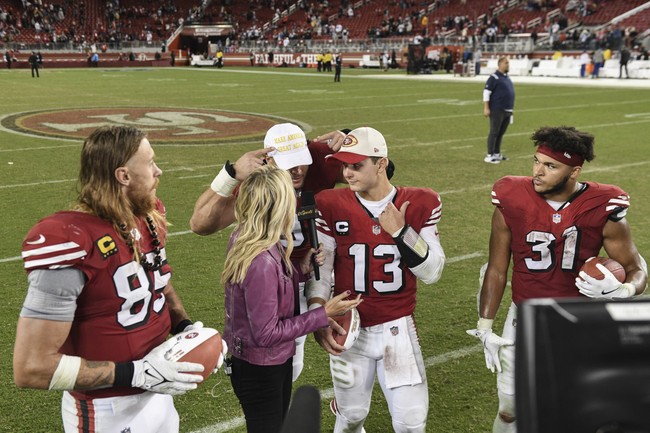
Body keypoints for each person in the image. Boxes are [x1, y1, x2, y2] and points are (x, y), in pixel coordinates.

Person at [13, 125, 222, 432]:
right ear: (123, 176)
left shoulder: (148, 215)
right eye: (150, 163)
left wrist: (184, 327)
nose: (158, 170)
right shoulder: (70, 239)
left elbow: (155, 278)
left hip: (159, 394)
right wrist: (136, 373)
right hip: (106, 410)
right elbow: (31, 367)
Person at [467, 126, 648, 433]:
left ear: (574, 171)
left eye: (550, 166)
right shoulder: (511, 197)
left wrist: (623, 289)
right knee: (510, 409)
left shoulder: (602, 205)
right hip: (524, 316)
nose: (538, 171)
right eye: (536, 161)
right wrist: (485, 326)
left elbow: (637, 267)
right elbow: (497, 268)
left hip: (580, 319)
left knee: (576, 410)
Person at [306, 127, 446, 433]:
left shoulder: (419, 202)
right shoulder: (331, 203)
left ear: (381, 163)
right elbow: (323, 268)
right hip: (348, 327)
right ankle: (344, 413)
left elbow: (433, 271)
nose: (348, 173)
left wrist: (402, 233)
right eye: (345, 166)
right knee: (353, 415)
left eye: (357, 166)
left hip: (396, 329)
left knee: (411, 424)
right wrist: (318, 309)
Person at [191, 123, 348, 382]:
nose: (297, 170)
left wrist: (350, 140)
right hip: (275, 278)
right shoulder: (259, 182)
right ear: (269, 159)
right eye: (289, 163)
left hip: (314, 266)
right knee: (287, 363)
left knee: (344, 341)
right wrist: (230, 174)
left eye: (301, 161)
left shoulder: (320, 157)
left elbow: (378, 169)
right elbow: (200, 224)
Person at [222, 164, 362, 433]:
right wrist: (323, 313)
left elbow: (266, 290)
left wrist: (300, 271)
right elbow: (266, 333)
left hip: (261, 363)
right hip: (262, 367)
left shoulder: (253, 239)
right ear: (277, 206)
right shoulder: (260, 259)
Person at [483, 57, 515, 164]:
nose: (508, 65)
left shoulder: (506, 78)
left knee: (501, 133)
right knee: (494, 132)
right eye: (506, 63)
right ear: (500, 64)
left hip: (507, 110)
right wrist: (486, 108)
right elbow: (486, 92)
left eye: (508, 63)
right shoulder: (494, 77)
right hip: (497, 109)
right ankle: (489, 155)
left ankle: (496, 153)